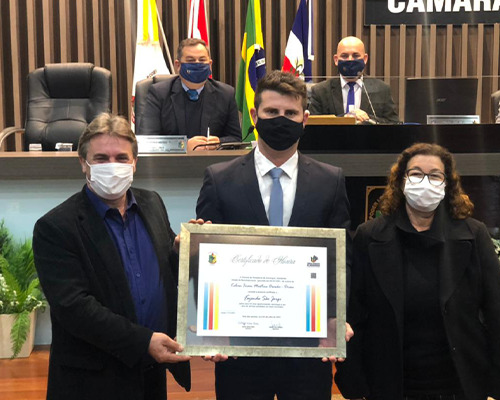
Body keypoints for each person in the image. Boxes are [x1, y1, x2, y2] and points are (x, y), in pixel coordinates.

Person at [196, 70, 352, 400]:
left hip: (309, 344)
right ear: (254, 115)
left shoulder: (330, 181)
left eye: (290, 113)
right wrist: (212, 325)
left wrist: (336, 317)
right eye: (271, 112)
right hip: (240, 347)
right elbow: (207, 260)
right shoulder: (219, 179)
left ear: (304, 119)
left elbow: (342, 259)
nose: (281, 120)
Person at [335, 143, 500, 400]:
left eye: (435, 175)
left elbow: (499, 309)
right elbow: (355, 312)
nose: (425, 182)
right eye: (416, 174)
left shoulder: (474, 234)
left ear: (447, 184)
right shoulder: (369, 236)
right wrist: (352, 378)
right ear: (401, 181)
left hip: (458, 382)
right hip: (390, 382)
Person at [32, 114, 191, 400]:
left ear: (135, 163)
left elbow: (162, 271)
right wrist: (143, 342)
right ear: (84, 163)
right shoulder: (55, 227)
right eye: (101, 158)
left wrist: (181, 252)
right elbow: (74, 308)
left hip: (151, 372)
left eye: (121, 158)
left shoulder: (152, 203)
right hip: (93, 379)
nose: (112, 166)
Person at [136, 38, 241, 150]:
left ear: (210, 64)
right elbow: (146, 141)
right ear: (178, 65)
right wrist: (183, 146)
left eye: (202, 60)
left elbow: (236, 139)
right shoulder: (159, 93)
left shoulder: (226, 94)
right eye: (191, 60)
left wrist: (219, 143)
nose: (197, 64)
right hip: (172, 161)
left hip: (212, 159)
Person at [308, 36, 399, 124]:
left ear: (365, 59)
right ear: (336, 59)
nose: (350, 60)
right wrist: (345, 119)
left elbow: (394, 124)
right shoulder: (320, 91)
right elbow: (313, 125)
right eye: (344, 56)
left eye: (355, 56)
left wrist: (368, 119)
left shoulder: (382, 89)